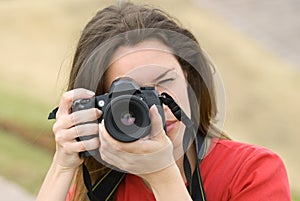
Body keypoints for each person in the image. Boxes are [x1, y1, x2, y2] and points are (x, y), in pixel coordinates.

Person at [36, 2, 291, 201]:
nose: (156, 106)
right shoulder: (103, 185)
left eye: (165, 81)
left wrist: (162, 176)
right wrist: (63, 164)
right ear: (102, 108)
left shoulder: (253, 172)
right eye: (132, 95)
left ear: (188, 77)